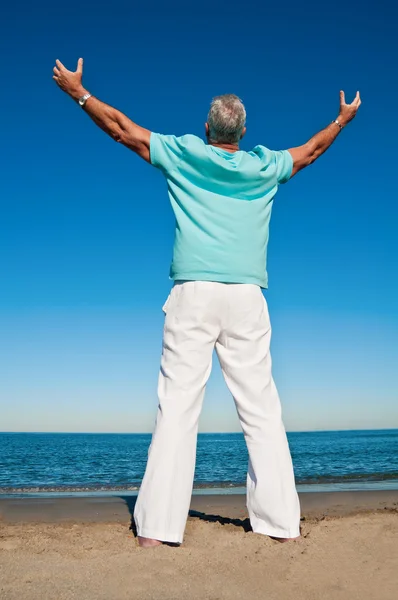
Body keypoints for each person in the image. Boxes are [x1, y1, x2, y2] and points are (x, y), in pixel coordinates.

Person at [53, 58, 361, 547]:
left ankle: (156, 530)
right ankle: (280, 526)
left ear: (207, 128)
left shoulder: (185, 153)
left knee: (177, 408)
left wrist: (79, 92)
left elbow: (123, 130)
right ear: (243, 131)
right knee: (261, 411)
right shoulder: (264, 165)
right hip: (246, 298)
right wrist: (342, 120)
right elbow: (311, 152)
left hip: (194, 294)